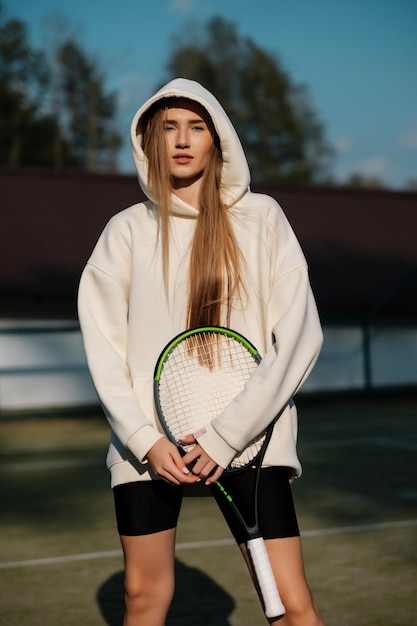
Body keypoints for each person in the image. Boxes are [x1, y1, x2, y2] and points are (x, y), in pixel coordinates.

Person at [78, 78, 326, 626]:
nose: (182, 140)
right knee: (143, 599)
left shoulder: (262, 219)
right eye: (168, 128)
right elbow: (102, 344)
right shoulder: (125, 232)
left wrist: (225, 435)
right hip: (151, 447)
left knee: (289, 607)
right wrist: (144, 440)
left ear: (219, 141)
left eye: (196, 127)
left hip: (248, 442)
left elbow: (301, 334)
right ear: (150, 141)